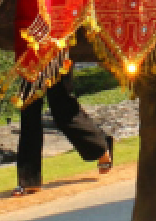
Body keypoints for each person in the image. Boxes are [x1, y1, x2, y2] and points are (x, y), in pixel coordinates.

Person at [12, 63, 115, 196]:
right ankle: (29, 179)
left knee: (61, 107)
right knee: (28, 106)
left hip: (56, 50)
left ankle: (100, 146)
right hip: (29, 51)